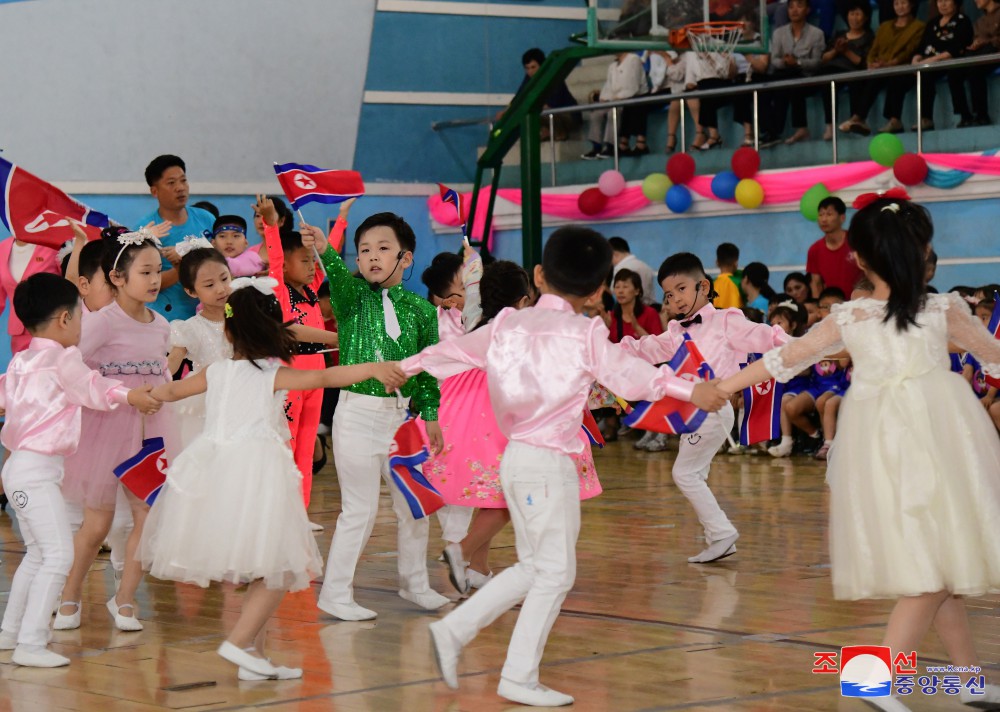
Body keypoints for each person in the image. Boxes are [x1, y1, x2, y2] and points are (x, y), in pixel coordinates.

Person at [404, 226, 728, 707]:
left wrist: (399, 368)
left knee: (541, 566)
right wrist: (691, 389)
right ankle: (511, 672)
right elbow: (633, 378)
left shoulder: (510, 323)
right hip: (547, 464)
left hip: (515, 460)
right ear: (599, 289)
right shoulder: (586, 332)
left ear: (539, 275)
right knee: (554, 572)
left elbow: (448, 354)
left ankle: (458, 634)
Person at [718, 193, 1000, 711]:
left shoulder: (857, 316)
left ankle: (968, 681)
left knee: (944, 570)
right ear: (924, 252)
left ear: (861, 259)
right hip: (925, 446)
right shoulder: (940, 311)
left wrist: (721, 386)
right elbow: (996, 357)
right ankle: (873, 684)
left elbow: (782, 358)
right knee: (934, 574)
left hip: (893, 448)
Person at [141, 284, 406, 681]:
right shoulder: (272, 373)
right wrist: (371, 368)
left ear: (228, 333)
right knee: (279, 567)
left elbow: (175, 389)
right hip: (256, 472)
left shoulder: (216, 371)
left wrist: (147, 395)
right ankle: (238, 642)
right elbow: (327, 378)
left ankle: (254, 654)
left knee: (261, 566)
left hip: (214, 471)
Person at [0, 274, 159, 668]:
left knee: (39, 554)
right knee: (56, 555)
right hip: (35, 472)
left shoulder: (22, 359)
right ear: (65, 321)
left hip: (22, 469)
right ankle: (32, 644)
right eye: (80, 316)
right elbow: (93, 386)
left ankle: (10, 634)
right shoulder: (62, 358)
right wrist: (131, 395)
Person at [312, 211, 448, 621]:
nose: (371, 257)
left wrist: (432, 416)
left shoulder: (423, 311)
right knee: (360, 509)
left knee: (414, 506)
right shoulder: (351, 297)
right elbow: (336, 273)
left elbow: (426, 370)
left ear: (406, 259)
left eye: (383, 248)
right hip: (355, 416)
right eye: (364, 250)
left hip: (401, 421)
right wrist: (324, 250)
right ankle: (335, 594)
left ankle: (415, 584)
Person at [619, 252, 790, 562]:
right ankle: (719, 535)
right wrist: (611, 352)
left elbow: (762, 335)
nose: (675, 299)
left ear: (704, 286)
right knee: (692, 472)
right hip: (691, 413)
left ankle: (721, 533)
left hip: (712, 409)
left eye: (682, 289)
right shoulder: (676, 331)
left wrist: (798, 344)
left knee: (684, 474)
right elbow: (649, 347)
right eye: (669, 295)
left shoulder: (726, 320)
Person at [56, 228, 179, 633]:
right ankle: (69, 595)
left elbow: (162, 371)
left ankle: (124, 600)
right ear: (118, 277)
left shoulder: (162, 324)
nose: (155, 278)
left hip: (150, 431)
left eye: (158, 270)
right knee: (97, 525)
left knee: (150, 516)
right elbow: (68, 366)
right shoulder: (101, 323)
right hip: (106, 430)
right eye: (145, 271)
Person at [258, 196, 339, 517]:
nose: (311, 267)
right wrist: (269, 223)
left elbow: (327, 253)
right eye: (304, 261)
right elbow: (275, 255)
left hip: (317, 373)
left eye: (312, 262)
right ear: (286, 265)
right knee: (287, 444)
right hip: (290, 373)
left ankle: (299, 514)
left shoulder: (311, 289)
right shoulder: (279, 288)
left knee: (306, 449)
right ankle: (278, 512)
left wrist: (341, 219)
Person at [165, 239, 234, 448]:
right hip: (206, 400)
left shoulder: (245, 317)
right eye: (210, 285)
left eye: (224, 278)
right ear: (191, 291)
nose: (221, 289)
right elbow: (173, 362)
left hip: (244, 394)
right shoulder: (190, 328)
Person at [139, 155, 216, 320]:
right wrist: (179, 268)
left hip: (209, 315)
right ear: (154, 191)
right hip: (167, 318)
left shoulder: (206, 219)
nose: (180, 188)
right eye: (171, 183)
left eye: (183, 180)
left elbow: (223, 262)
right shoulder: (147, 230)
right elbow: (144, 283)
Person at [838, 0, 925, 135]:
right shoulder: (885, 26)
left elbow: (909, 51)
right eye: (896, 3)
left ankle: (895, 121)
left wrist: (889, 64)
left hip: (902, 67)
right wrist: (871, 63)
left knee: (896, 78)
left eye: (903, 3)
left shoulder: (919, 26)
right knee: (871, 79)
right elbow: (874, 49)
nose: (900, 7)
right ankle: (858, 118)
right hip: (881, 67)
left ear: (912, 4)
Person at [759, 0, 826, 146]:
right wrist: (785, 62)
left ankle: (780, 131)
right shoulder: (778, 33)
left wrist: (798, 62)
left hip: (805, 74)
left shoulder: (816, 33)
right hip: (784, 71)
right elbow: (775, 59)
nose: (794, 10)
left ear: (808, 10)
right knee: (763, 89)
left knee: (791, 85)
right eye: (791, 7)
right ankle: (769, 131)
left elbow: (816, 62)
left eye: (799, 6)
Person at [909, 0, 974, 130]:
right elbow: (921, 47)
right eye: (940, 1)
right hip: (931, 63)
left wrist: (931, 60)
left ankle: (965, 116)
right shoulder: (932, 23)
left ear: (956, 3)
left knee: (954, 75)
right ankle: (926, 119)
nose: (942, 4)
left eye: (947, 1)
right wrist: (915, 60)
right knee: (924, 75)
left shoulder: (963, 20)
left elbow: (957, 48)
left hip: (954, 61)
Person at [816, 0, 874, 140]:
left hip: (853, 70)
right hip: (833, 69)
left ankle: (854, 122)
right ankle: (830, 126)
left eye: (858, 14)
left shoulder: (869, 37)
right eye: (851, 14)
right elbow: (824, 58)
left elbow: (863, 62)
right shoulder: (839, 34)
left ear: (866, 17)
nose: (854, 18)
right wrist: (836, 50)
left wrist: (846, 51)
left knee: (856, 80)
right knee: (826, 80)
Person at [499, 48, 580, 141]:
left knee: (537, 111)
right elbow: (519, 97)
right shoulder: (529, 78)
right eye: (527, 68)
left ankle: (559, 133)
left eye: (533, 67)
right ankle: (546, 132)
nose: (530, 71)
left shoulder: (554, 77)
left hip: (568, 115)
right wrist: (506, 111)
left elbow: (553, 103)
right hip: (547, 114)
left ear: (542, 66)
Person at [582, 52, 650, 159]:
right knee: (596, 114)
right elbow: (608, 87)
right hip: (614, 99)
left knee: (612, 113)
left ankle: (611, 146)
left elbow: (633, 86)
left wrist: (617, 98)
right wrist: (604, 98)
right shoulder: (612, 66)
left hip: (631, 98)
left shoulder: (634, 59)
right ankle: (596, 147)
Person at [0, 236, 61, 354]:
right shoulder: (2, 248)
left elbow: (71, 284)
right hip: (19, 334)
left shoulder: (54, 243)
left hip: (51, 329)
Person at [807, 197, 863, 297]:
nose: (824, 219)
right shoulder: (814, 249)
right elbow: (816, 284)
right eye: (821, 215)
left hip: (859, 301)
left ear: (842, 218)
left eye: (829, 214)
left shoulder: (857, 242)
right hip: (832, 306)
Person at [962, 0, 1000, 126]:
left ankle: (982, 114)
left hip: (996, 52)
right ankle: (966, 115)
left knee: (976, 69)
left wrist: (987, 41)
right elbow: (977, 38)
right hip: (982, 54)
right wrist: (976, 44)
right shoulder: (980, 21)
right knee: (959, 70)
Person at [608, 268, 664, 342]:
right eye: (617, 287)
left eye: (625, 287)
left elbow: (659, 345)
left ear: (637, 291)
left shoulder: (650, 313)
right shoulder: (612, 316)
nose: (620, 291)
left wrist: (637, 328)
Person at [609, 237, 657, 304]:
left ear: (614, 254)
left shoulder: (619, 268)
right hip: (651, 307)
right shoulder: (645, 266)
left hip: (633, 309)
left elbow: (613, 291)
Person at [713, 242, 744, 308]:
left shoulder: (710, 283)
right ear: (736, 263)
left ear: (717, 262)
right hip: (736, 318)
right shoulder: (741, 282)